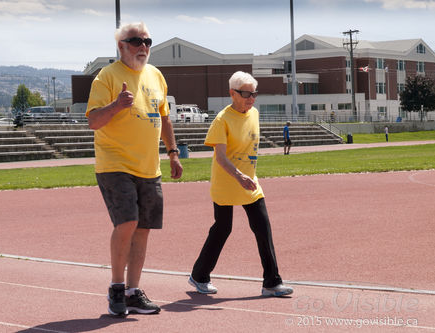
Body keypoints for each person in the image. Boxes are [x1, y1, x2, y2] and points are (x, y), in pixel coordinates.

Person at [86, 22, 183, 317]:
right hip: (115, 164)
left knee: (143, 229)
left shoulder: (156, 75)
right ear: (121, 46)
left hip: (149, 167)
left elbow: (164, 118)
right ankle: (116, 288)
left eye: (147, 41)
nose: (143, 46)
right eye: (136, 41)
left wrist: (173, 152)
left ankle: (132, 292)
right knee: (127, 223)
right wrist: (116, 106)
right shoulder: (107, 76)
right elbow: (93, 121)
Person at [188, 71, 293, 297]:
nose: (251, 98)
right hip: (227, 182)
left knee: (263, 228)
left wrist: (248, 177)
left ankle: (272, 282)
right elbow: (221, 157)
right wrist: (239, 176)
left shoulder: (254, 113)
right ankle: (199, 276)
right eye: (246, 93)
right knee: (223, 229)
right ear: (232, 94)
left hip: (250, 183)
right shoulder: (222, 120)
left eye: (254, 93)